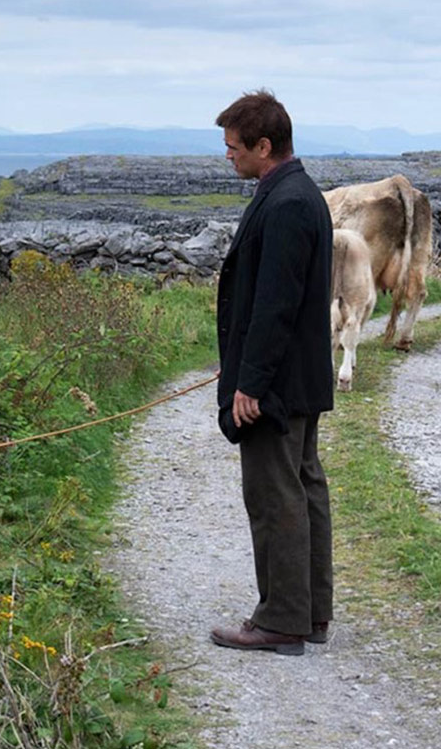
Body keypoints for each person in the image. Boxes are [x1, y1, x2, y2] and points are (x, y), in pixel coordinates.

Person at [209, 90, 335, 656]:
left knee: (275, 494)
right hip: (300, 378)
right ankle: (311, 612)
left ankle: (283, 619)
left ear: (265, 146)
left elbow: (275, 304)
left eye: (235, 148)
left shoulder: (286, 204)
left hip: (277, 385)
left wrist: (250, 383)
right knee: (304, 489)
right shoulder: (299, 192)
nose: (229, 156)